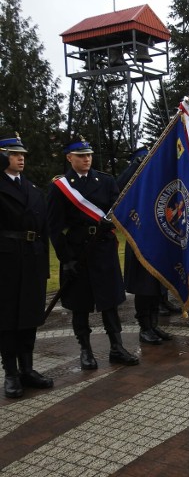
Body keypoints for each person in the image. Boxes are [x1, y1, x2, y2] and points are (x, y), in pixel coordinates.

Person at [47, 137, 139, 369]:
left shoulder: (106, 181)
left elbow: (117, 208)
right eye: (81, 156)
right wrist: (66, 259)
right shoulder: (60, 187)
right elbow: (55, 227)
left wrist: (112, 222)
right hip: (78, 251)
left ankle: (117, 347)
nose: (87, 159)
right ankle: (85, 350)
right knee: (80, 305)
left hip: (103, 249)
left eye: (88, 155)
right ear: (70, 158)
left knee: (110, 301)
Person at [0, 135, 53, 398]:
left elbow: (44, 231)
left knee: (29, 319)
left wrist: (44, 268)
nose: (20, 158)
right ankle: (10, 372)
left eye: (22, 154)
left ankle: (28, 369)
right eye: (13, 153)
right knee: (7, 320)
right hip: (6, 262)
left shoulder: (33, 189)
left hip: (31, 260)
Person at [118, 147, 173, 344]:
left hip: (158, 241)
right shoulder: (133, 187)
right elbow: (119, 187)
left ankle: (154, 324)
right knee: (144, 287)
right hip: (139, 241)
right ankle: (144, 327)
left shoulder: (156, 184)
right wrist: (135, 166)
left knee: (157, 286)